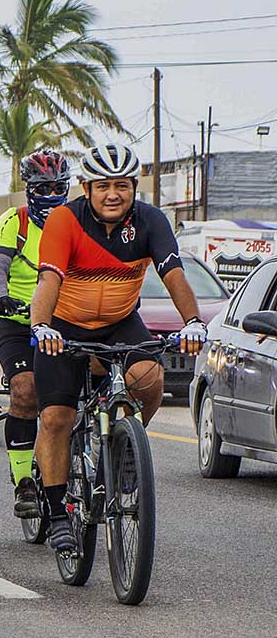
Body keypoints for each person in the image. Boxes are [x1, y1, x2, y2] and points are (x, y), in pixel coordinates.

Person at [31, 144, 206, 555]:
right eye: (104, 186)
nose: (114, 194)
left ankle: (127, 449)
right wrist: (41, 326)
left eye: (123, 186)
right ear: (86, 187)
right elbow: (49, 280)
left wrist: (193, 322)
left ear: (134, 188)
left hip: (119, 323)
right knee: (56, 416)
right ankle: (57, 512)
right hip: (63, 324)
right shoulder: (64, 219)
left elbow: (173, 274)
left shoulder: (151, 221)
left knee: (149, 377)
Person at [0, 149, 71, 518]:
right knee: (24, 391)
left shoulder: (76, 220)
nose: (51, 195)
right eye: (43, 188)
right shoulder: (14, 222)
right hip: (18, 320)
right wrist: (0, 299)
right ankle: (23, 481)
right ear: (29, 190)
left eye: (58, 187)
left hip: (63, 321)